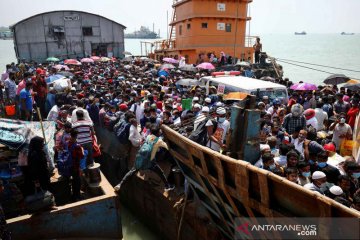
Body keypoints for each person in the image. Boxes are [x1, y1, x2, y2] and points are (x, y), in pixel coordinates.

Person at [114, 124, 174, 192]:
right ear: (158, 132)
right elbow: (168, 147)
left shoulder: (148, 136)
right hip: (150, 161)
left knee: (132, 171)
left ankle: (120, 184)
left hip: (140, 157)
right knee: (160, 172)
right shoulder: (159, 140)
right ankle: (167, 186)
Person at [66, 129, 85, 201]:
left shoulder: (68, 142)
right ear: (76, 136)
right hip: (76, 165)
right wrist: (82, 149)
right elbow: (82, 156)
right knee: (77, 181)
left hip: (69, 165)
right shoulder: (77, 146)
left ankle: (74, 194)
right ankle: (77, 196)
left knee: (74, 180)